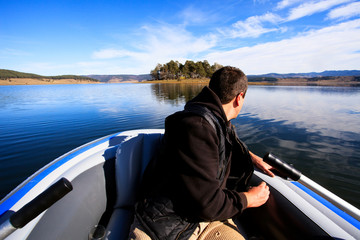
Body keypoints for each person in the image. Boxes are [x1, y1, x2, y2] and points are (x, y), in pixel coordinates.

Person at [128, 66, 274, 240]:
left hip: (204, 220)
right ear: (239, 97)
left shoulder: (214, 120)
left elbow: (218, 146)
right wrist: (249, 198)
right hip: (165, 227)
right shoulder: (197, 127)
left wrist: (253, 158)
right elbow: (208, 204)